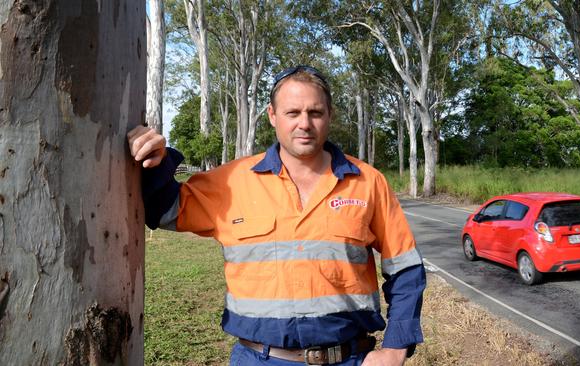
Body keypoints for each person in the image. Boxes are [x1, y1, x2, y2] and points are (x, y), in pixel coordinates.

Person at [128, 66, 426, 365]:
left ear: (330, 115)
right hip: (259, 359)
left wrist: (395, 348)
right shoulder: (231, 181)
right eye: (293, 112)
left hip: (348, 357)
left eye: (315, 113)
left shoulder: (368, 182)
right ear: (273, 115)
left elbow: (405, 269)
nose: (304, 124)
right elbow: (162, 209)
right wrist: (156, 159)